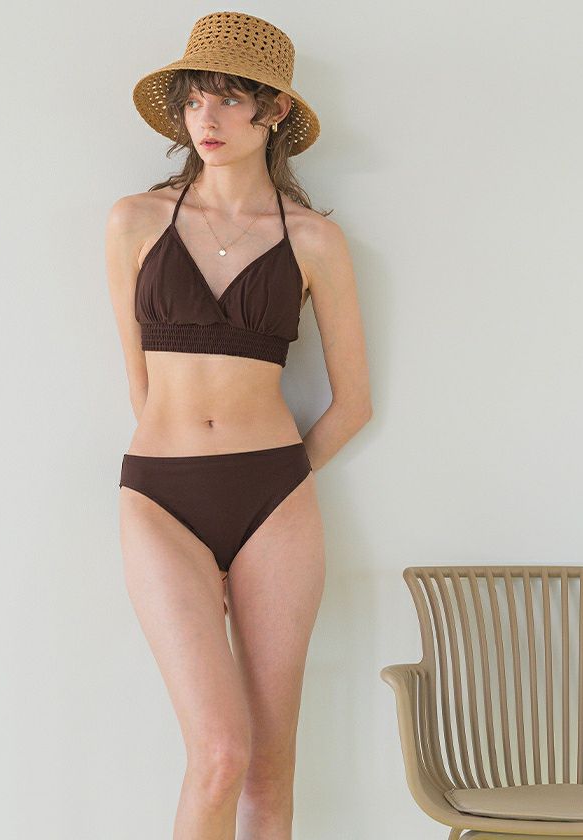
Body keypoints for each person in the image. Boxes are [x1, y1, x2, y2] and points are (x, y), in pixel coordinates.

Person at [105, 11, 372, 839]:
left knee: (267, 767)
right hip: (162, 497)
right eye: (194, 101)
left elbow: (353, 404)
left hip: (273, 502)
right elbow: (139, 383)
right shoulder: (134, 221)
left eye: (227, 99)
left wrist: (271, 480)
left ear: (275, 110)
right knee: (219, 753)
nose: (206, 120)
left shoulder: (316, 241)